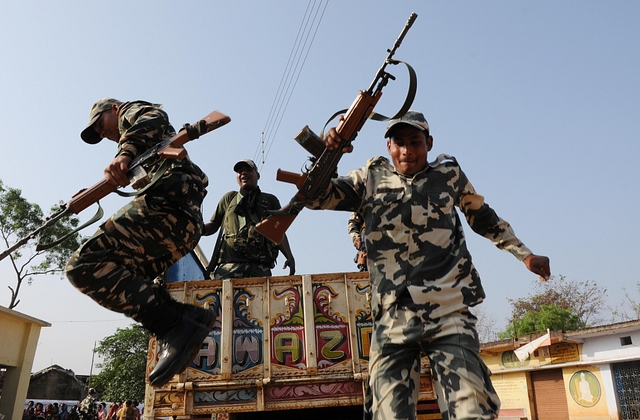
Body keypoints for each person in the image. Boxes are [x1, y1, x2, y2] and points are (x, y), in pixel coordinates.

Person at [307, 110, 551, 420]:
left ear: (429, 143)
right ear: (388, 147)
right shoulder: (369, 177)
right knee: (388, 414)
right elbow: (316, 198)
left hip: (449, 310)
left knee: (472, 410)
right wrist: (330, 153)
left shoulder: (448, 175)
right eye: (399, 143)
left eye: (415, 142)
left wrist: (525, 254)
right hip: (393, 313)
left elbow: (483, 218)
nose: (407, 150)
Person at [65, 98, 215, 388]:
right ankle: (176, 326)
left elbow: (153, 117)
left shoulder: (132, 112)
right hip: (181, 224)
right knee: (120, 276)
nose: (101, 133)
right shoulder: (142, 150)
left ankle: (176, 324)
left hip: (167, 205)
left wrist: (125, 152)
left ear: (114, 109)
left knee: (83, 264)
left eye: (99, 124)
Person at [203, 159, 295, 279]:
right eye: (240, 171)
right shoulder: (229, 198)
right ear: (237, 177)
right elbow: (214, 225)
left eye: (248, 170)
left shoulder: (269, 200)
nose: (244, 173)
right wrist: (197, 229)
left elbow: (278, 232)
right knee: (225, 297)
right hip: (229, 266)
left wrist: (289, 256)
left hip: (259, 267)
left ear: (258, 175)